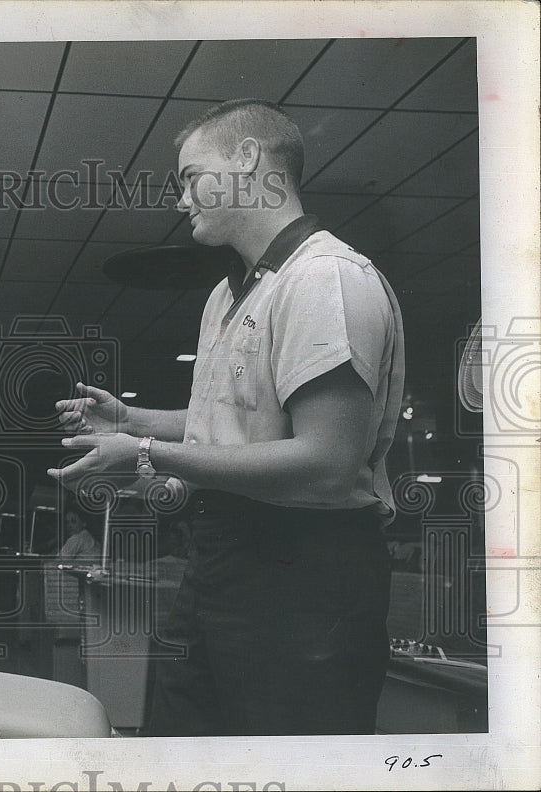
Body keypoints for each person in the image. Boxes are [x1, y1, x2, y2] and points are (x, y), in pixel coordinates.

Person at [49, 98, 405, 736]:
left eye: (190, 176)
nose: (180, 198)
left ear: (247, 160)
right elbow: (238, 427)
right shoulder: (228, 294)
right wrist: (130, 420)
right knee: (180, 751)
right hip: (224, 558)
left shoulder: (324, 277)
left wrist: (148, 455)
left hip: (308, 573)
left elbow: (325, 462)